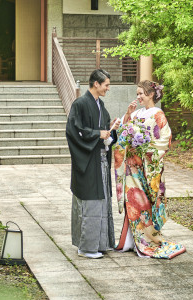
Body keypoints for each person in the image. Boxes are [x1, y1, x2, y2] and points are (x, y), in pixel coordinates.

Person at [114, 80, 186, 259]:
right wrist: (128, 115)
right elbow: (124, 132)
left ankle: (147, 239)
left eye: (141, 94)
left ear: (151, 94)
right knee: (133, 202)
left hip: (147, 165)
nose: (138, 97)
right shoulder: (137, 112)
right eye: (137, 94)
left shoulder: (158, 114)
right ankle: (132, 241)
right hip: (132, 166)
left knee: (146, 202)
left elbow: (165, 139)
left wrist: (146, 149)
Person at [66, 69, 120, 259]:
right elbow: (74, 130)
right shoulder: (80, 104)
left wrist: (111, 130)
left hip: (101, 161)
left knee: (102, 201)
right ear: (96, 84)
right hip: (88, 161)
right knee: (90, 203)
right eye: (106, 85)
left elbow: (105, 131)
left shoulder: (100, 104)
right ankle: (86, 247)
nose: (107, 88)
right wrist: (98, 133)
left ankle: (100, 244)